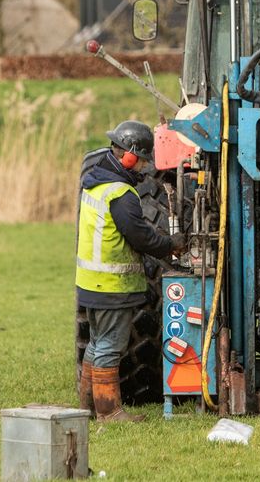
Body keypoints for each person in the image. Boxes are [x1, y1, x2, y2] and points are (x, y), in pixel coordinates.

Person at [76, 120, 183, 422]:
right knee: (110, 345)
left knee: (97, 343)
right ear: (130, 156)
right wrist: (170, 245)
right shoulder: (120, 193)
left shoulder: (96, 183)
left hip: (91, 283)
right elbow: (140, 236)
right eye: (143, 160)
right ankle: (109, 412)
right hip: (112, 285)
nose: (143, 167)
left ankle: (87, 407)